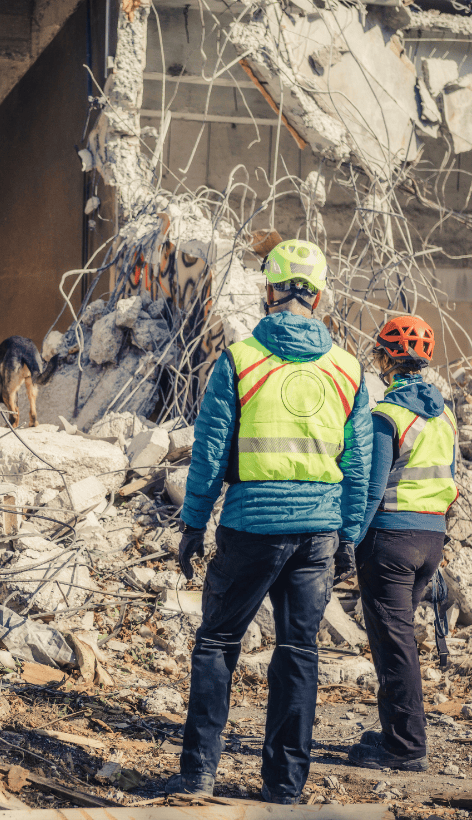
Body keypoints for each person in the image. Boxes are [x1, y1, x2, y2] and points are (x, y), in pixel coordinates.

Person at [165, 239, 373, 804]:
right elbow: (358, 464)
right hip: (317, 534)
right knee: (299, 653)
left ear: (270, 291)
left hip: (252, 526)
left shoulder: (240, 360)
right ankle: (284, 789)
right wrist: (349, 535)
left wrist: (192, 524)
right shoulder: (348, 369)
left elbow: (209, 452)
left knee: (216, 644)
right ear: (320, 296)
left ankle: (198, 776)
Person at [348, 316, 458, 772]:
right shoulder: (445, 414)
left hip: (390, 540)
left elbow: (371, 491)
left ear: (384, 359)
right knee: (396, 639)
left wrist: (347, 542)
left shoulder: (387, 416)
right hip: (430, 539)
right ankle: (396, 732)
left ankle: (405, 747)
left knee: (394, 644)